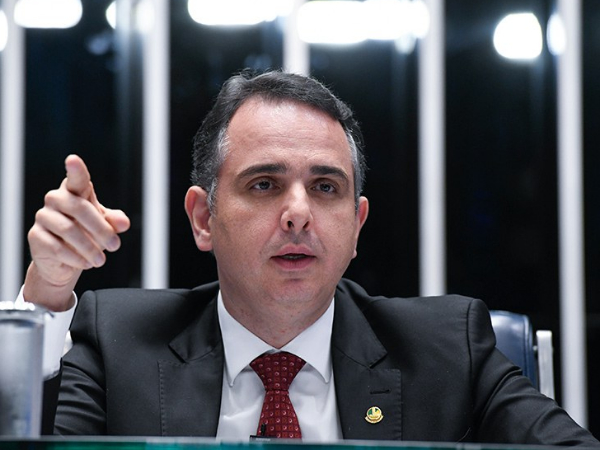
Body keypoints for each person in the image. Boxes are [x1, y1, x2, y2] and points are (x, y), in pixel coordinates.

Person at [21, 70, 599, 445]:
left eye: (325, 187)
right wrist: (46, 292)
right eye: (265, 185)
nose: (298, 213)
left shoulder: (447, 350)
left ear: (356, 224)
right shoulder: (119, 342)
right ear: (203, 219)